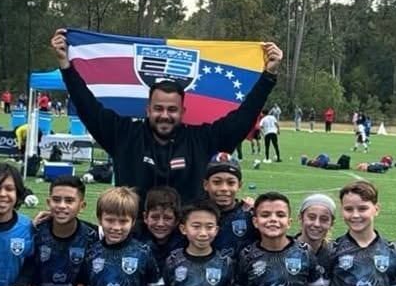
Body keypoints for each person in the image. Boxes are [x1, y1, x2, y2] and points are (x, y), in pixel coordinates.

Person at [50, 29, 283, 206]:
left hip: (186, 247)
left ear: (183, 113)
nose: (164, 115)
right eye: (158, 108)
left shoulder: (201, 140)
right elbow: (87, 105)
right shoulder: (124, 135)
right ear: (147, 109)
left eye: (172, 110)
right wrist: (65, 66)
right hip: (134, 241)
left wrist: (268, 76)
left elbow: (242, 119)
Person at [77, 187, 168, 286]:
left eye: (123, 221)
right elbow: (81, 282)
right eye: (110, 220)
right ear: (99, 220)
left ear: (132, 222)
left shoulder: (143, 252)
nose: (116, 227)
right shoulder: (91, 252)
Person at [321, 180, 396, 286]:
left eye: (362, 209)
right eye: (349, 209)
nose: (355, 215)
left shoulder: (392, 250)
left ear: (376, 209)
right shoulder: (332, 249)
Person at [235, 192, 328, 286]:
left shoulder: (305, 252)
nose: (273, 219)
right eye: (265, 215)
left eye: (280, 215)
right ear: (255, 222)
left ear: (289, 222)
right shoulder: (247, 254)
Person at [28, 175, 98, 286]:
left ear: (81, 206)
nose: (61, 206)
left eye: (69, 201)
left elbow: (96, 272)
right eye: (56, 200)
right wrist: (24, 285)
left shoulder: (93, 236)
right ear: (48, 203)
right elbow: (24, 265)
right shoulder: (36, 231)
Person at [164, 201, 236, 286]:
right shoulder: (172, 260)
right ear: (183, 229)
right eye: (196, 226)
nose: (203, 233)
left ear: (217, 230)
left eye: (209, 227)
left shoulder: (225, 263)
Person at [202, 159, 257, 259]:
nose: (224, 188)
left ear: (239, 186)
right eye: (217, 182)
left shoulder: (250, 214)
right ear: (206, 185)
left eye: (231, 183)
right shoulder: (195, 215)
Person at [136, 186, 186, 267]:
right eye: (155, 217)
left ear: (176, 220)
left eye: (167, 218)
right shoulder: (135, 238)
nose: (160, 224)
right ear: (145, 217)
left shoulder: (186, 243)